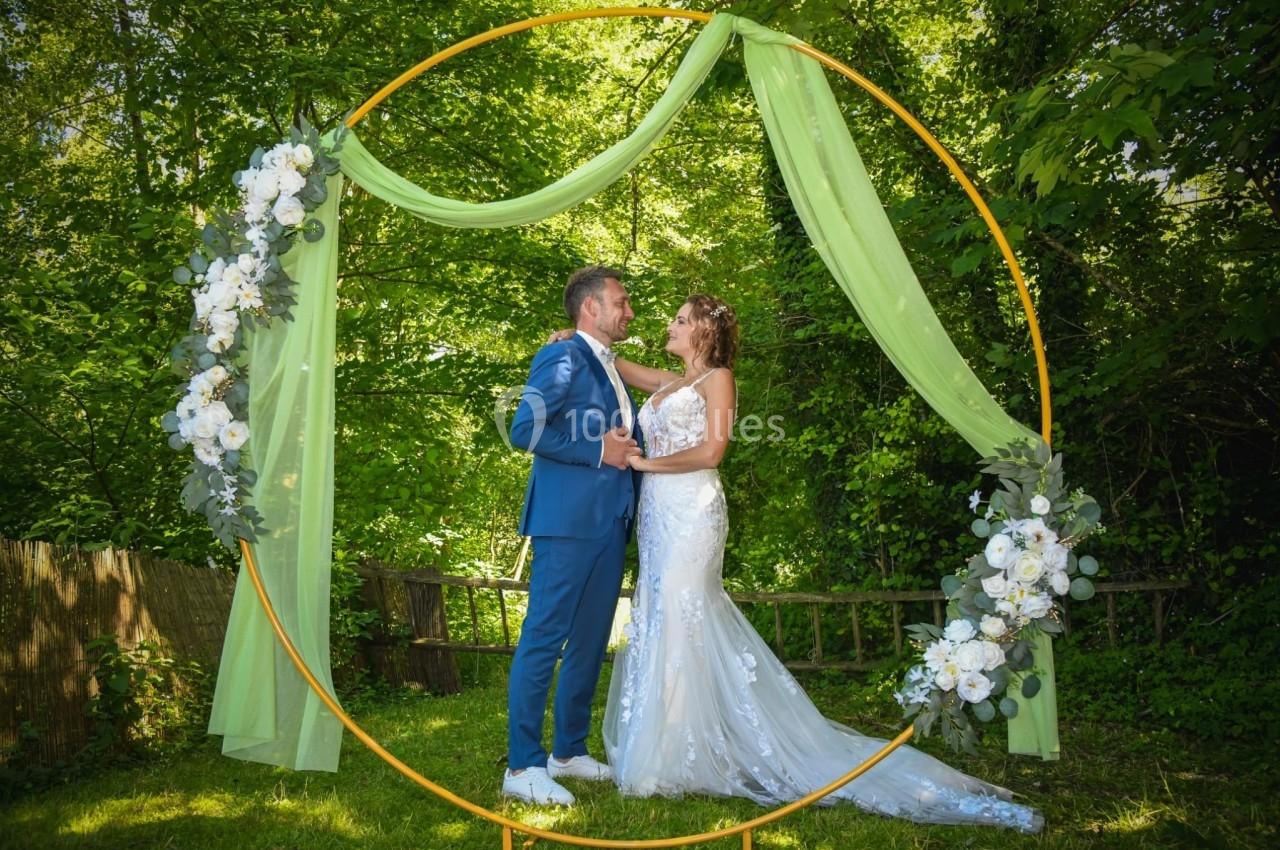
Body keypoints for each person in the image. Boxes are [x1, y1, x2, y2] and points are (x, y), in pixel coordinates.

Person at [586, 293, 1043, 832]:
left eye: (681, 320)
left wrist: (646, 462)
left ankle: (683, 753)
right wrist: (578, 341)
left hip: (692, 511)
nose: (671, 324)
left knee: (686, 613)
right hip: (658, 515)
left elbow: (713, 452)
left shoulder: (718, 380)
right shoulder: (668, 382)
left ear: (705, 333)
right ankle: (671, 744)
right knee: (661, 612)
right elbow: (611, 361)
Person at [502, 265, 645, 806]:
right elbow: (525, 429)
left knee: (589, 642)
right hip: (565, 525)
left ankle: (568, 751)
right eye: (621, 302)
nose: (629, 311)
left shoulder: (608, 364)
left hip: (610, 523)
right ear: (591, 307)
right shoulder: (562, 356)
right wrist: (596, 450)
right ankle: (522, 766)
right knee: (544, 639)